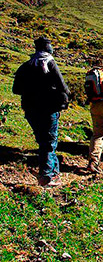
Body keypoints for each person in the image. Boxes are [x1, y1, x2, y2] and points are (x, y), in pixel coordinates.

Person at [13, 37, 70, 186]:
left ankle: (54, 172)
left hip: (30, 109)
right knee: (49, 142)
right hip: (49, 108)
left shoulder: (26, 66)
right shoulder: (49, 63)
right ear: (48, 48)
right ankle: (46, 175)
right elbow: (63, 86)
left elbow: (15, 89)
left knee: (43, 141)